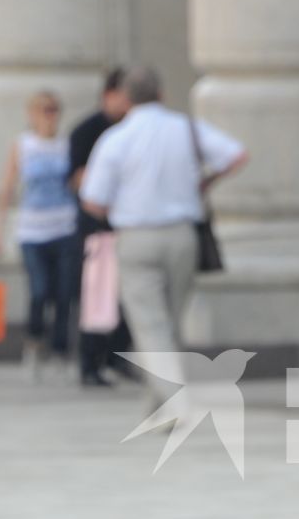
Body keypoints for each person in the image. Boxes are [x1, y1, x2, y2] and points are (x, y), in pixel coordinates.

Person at [79, 66, 247, 411]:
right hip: (182, 234)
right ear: (162, 94)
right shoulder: (184, 129)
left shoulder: (116, 138)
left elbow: (93, 200)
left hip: (136, 235)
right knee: (169, 321)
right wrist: (205, 183)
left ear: (125, 99)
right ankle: (156, 402)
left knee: (150, 323)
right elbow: (236, 155)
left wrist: (121, 209)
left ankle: (171, 400)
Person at [0, 89, 79, 379]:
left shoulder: (66, 144)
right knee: (40, 290)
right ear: (32, 114)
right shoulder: (23, 144)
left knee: (64, 293)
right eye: (44, 110)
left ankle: (60, 350)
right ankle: (34, 342)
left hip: (64, 225)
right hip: (32, 229)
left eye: (54, 109)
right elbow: (7, 186)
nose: (49, 116)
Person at [69, 68, 131, 387]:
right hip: (98, 227)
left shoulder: (130, 129)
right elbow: (78, 179)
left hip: (127, 226)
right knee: (96, 298)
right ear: (109, 94)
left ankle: (119, 358)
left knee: (126, 297)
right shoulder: (88, 130)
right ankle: (89, 364)